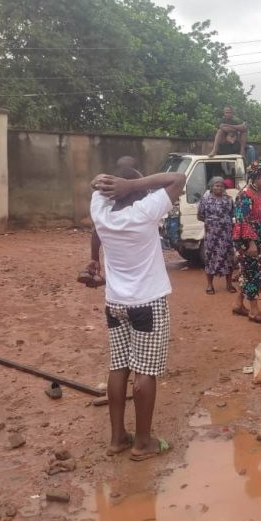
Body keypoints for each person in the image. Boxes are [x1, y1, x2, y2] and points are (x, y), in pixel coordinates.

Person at [88, 156, 186, 461]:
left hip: (114, 302)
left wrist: (116, 183)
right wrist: (135, 183)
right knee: (145, 372)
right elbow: (179, 180)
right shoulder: (145, 211)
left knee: (119, 367)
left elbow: (97, 186)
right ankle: (143, 442)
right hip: (148, 303)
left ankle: (118, 438)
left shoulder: (99, 210)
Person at [232, 161, 261, 324]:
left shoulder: (259, 192)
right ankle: (254, 311)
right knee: (253, 273)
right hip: (249, 241)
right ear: (256, 177)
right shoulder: (245, 195)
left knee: (258, 271)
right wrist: (251, 244)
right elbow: (243, 220)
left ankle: (238, 304)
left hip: (260, 238)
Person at [197, 176, 236, 295]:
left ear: (224, 187)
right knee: (210, 259)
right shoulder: (205, 200)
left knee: (229, 259)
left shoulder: (229, 200)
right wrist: (212, 223)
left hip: (226, 236)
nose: (219, 188)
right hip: (211, 236)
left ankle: (229, 284)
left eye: (221, 186)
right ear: (211, 187)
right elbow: (200, 215)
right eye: (216, 185)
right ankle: (210, 285)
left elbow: (232, 214)